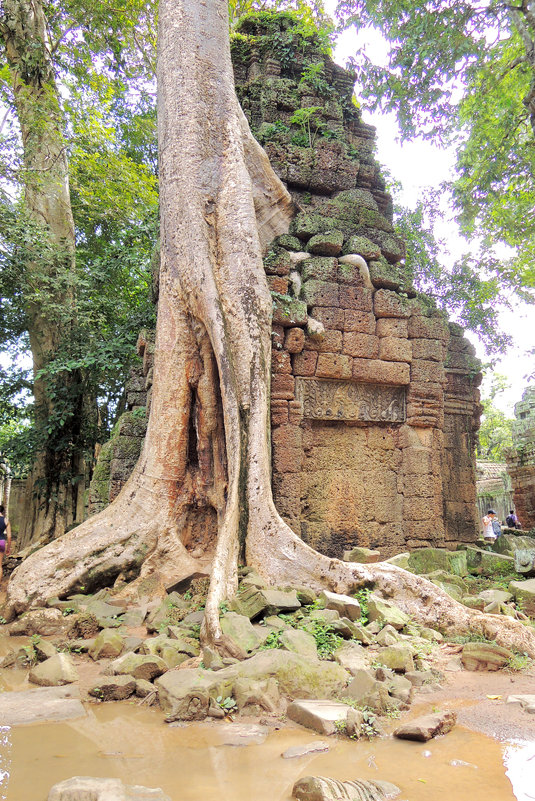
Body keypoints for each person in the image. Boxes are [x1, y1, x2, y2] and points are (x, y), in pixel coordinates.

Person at [0, 504, 11, 584]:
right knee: (0, 565)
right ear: (3, 511)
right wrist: (8, 548)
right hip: (2, 542)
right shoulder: (6, 520)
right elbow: (9, 536)